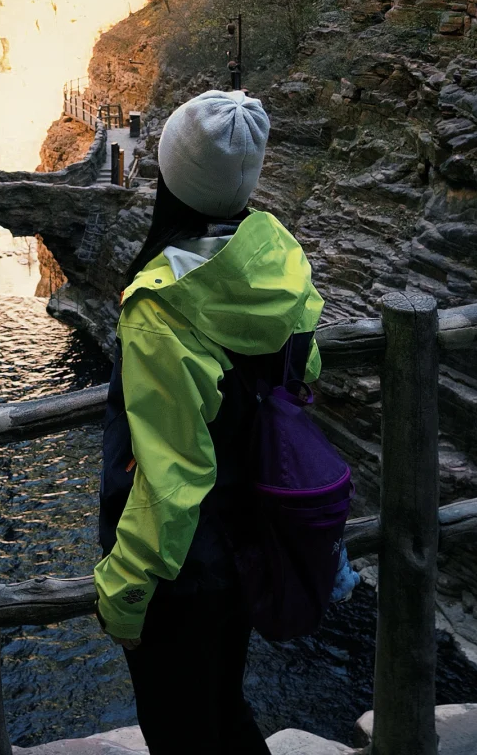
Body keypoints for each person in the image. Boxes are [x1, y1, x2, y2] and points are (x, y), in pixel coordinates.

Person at [93, 88, 325, 755]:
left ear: (171, 175)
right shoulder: (276, 259)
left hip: (182, 573)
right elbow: (305, 367)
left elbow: (171, 479)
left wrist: (124, 591)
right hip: (248, 540)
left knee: (180, 732)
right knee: (223, 710)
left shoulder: (161, 309)